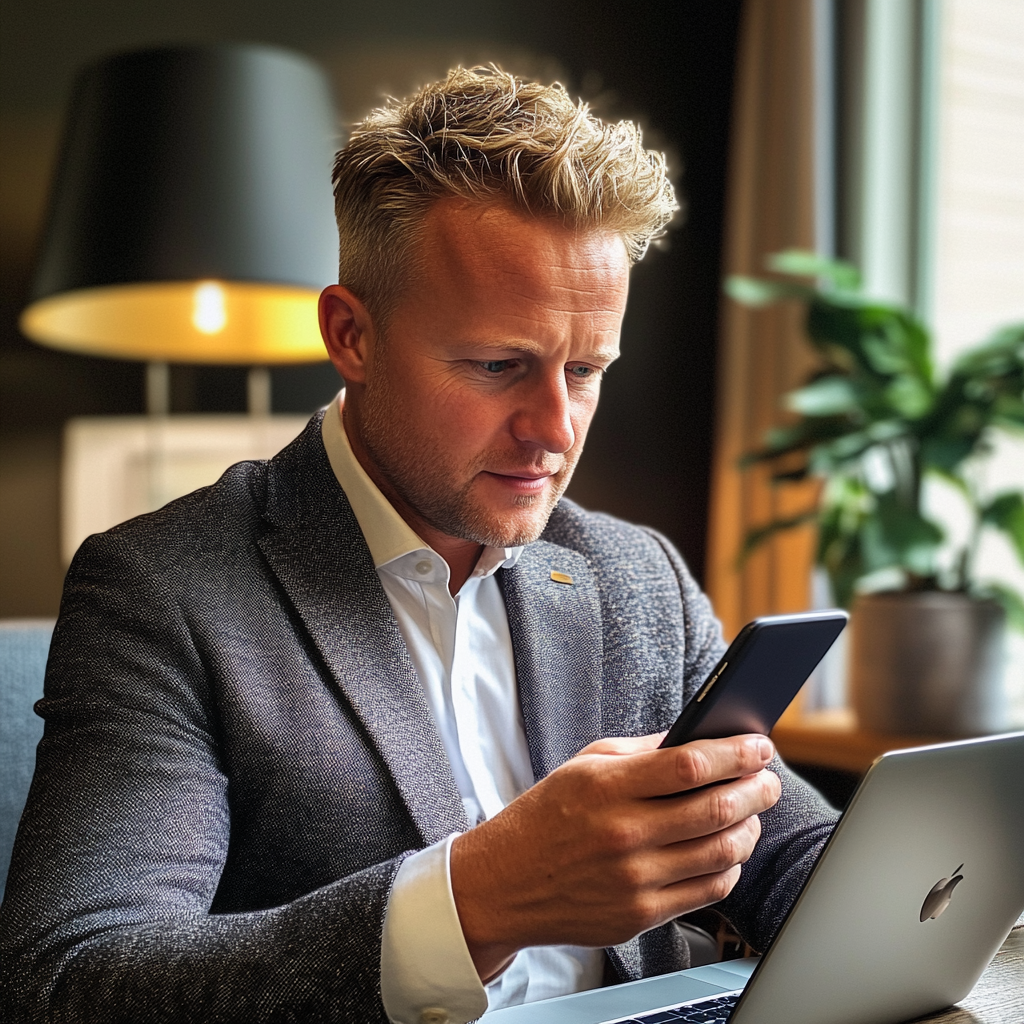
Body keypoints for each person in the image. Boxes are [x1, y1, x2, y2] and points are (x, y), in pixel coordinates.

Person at [0, 67, 837, 1024]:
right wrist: (477, 899)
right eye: (497, 366)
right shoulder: (163, 591)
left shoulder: (634, 574)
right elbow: (69, 984)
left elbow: (784, 845)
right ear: (351, 335)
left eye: (586, 368)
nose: (555, 429)